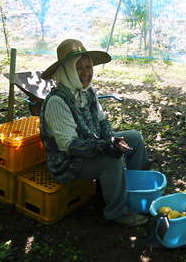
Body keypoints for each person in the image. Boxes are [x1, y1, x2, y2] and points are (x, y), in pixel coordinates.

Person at [39, 39, 151, 226]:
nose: (86, 73)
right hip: (68, 164)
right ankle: (117, 212)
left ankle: (133, 189)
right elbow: (69, 146)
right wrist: (105, 146)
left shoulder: (88, 92)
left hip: (92, 146)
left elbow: (102, 121)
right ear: (67, 70)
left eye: (88, 66)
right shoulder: (57, 101)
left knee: (135, 138)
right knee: (111, 158)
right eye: (79, 68)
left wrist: (112, 139)